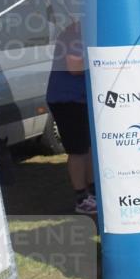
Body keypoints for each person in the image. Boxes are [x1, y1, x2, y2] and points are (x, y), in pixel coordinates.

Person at [46, 20, 96, 214]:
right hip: (67, 99)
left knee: (88, 146)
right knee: (78, 150)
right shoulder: (72, 35)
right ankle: (81, 198)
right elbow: (74, 67)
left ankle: (92, 191)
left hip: (80, 98)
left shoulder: (84, 33)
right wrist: (100, 60)